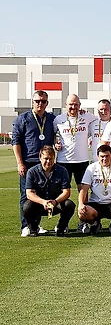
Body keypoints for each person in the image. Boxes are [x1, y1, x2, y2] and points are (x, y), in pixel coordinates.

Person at [12, 90, 56, 236]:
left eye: (43, 101)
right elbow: (16, 142)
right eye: (37, 101)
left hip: (45, 164)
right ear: (33, 102)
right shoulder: (23, 119)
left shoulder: (51, 119)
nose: (40, 104)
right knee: (26, 195)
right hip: (28, 163)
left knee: (41, 194)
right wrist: (20, 163)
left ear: (47, 103)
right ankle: (25, 226)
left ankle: (36, 225)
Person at [54, 93, 95, 233]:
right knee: (62, 193)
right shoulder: (58, 119)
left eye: (76, 104)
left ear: (80, 105)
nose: (73, 107)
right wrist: (55, 143)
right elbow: (52, 136)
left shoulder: (87, 116)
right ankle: (63, 223)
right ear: (65, 105)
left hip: (82, 161)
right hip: (63, 161)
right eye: (71, 104)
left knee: (83, 192)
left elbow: (105, 117)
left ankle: (83, 222)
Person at [22, 146, 76, 237]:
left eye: (51, 159)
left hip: (56, 203)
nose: (48, 161)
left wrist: (55, 201)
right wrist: (43, 202)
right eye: (46, 158)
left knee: (69, 205)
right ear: (40, 157)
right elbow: (29, 193)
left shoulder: (62, 171)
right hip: (39, 204)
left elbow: (66, 192)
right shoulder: (32, 172)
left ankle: (61, 228)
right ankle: (33, 228)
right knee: (26, 206)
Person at [77, 145, 111, 235]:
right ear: (98, 157)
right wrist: (81, 204)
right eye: (102, 156)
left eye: (107, 156)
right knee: (82, 214)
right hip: (95, 204)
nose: (104, 159)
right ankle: (95, 224)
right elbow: (84, 189)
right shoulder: (91, 168)